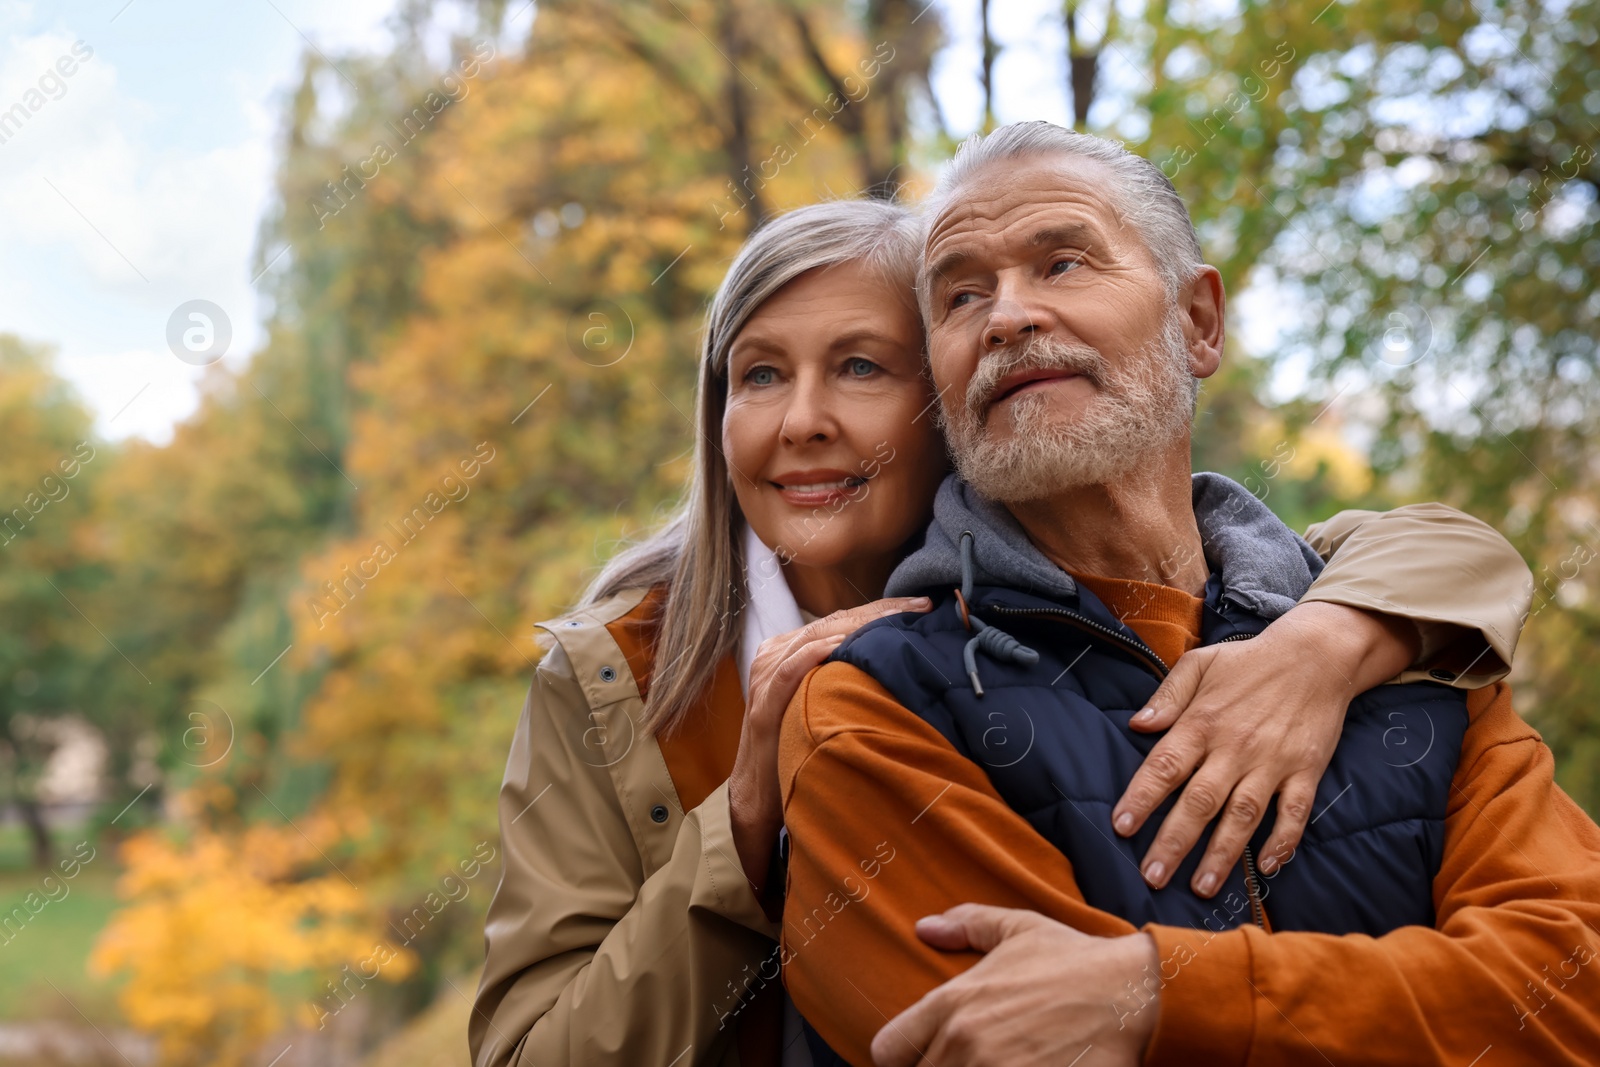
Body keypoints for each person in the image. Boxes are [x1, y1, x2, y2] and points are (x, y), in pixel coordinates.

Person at [469, 197, 1535, 1067]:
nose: (801, 419)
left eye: (860, 367)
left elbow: (1431, 550)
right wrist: (741, 825)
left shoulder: (1150, 606)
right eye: (758, 374)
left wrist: (1326, 646)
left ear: (952, 389)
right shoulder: (620, 677)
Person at [774, 122, 1600, 1067]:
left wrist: (1164, 994)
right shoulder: (874, 711)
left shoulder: (1403, 640)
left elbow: (1574, 999)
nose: (1007, 316)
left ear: (1198, 323)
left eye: (1064, 263)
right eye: (961, 295)